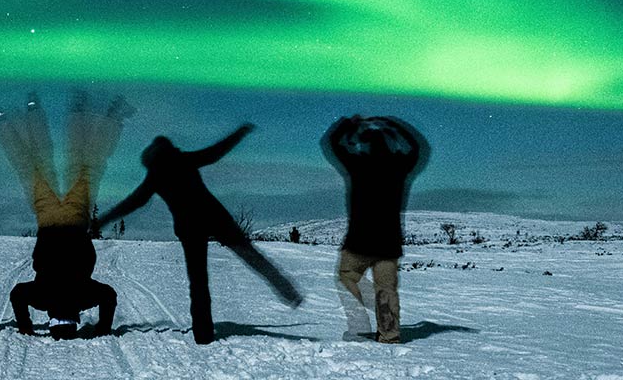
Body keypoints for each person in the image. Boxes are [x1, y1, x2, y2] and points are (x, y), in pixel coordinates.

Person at [93, 123, 303, 345]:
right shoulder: (182, 159)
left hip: (190, 228)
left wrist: (103, 220)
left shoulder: (156, 174)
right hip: (216, 217)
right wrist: (239, 133)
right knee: (251, 256)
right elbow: (215, 152)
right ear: (168, 149)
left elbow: (132, 203)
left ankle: (203, 335)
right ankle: (287, 290)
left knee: (199, 281)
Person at [0, 93, 130, 339]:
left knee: (87, 166)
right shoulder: (42, 297)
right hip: (48, 220)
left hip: (75, 221)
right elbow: (17, 294)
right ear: (51, 318)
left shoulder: (84, 296)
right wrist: (25, 326)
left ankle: (102, 114)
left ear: (75, 318)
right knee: (31, 167)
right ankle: (10, 118)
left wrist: (103, 329)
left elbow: (109, 295)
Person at [320, 114, 429, 344]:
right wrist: (395, 123)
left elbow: (329, 142)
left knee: (347, 277)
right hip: (389, 243)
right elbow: (420, 147)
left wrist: (350, 123)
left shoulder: (358, 164)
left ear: (366, 145)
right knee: (386, 289)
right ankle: (389, 334)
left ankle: (360, 327)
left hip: (358, 240)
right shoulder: (400, 167)